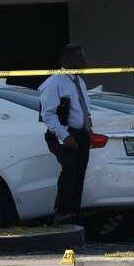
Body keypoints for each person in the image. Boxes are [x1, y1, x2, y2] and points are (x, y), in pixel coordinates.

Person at [39, 43, 93, 224]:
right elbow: (48, 114)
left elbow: (82, 109)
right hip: (63, 134)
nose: (84, 61)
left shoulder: (80, 82)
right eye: (80, 58)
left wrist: (88, 129)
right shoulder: (55, 82)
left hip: (81, 134)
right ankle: (61, 211)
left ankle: (74, 211)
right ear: (67, 60)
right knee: (69, 171)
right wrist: (64, 135)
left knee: (79, 173)